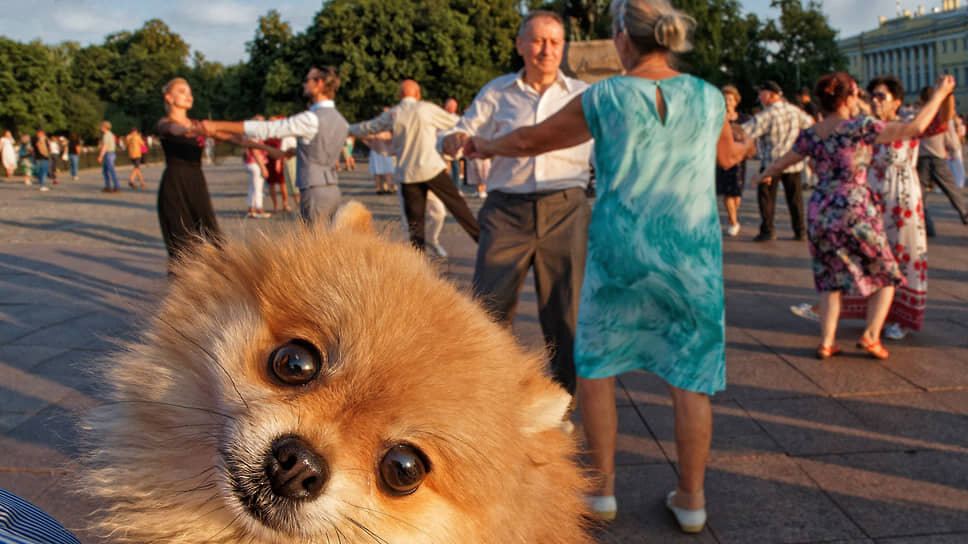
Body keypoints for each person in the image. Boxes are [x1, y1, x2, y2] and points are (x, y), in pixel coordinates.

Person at [462, 1, 753, 529]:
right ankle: (691, 500)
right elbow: (729, 157)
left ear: (623, 38)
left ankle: (602, 492)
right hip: (691, 256)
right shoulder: (710, 97)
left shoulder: (607, 96)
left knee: (597, 371)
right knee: (691, 381)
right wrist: (751, 141)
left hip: (622, 251)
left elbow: (530, 140)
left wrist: (484, 143)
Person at [440, 10, 594, 399]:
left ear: (564, 47)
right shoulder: (498, 92)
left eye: (555, 42)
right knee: (489, 309)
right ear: (521, 45)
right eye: (538, 41)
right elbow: (465, 128)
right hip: (507, 209)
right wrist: (453, 139)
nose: (547, 50)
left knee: (565, 312)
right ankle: (492, 397)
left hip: (567, 207)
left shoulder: (581, 95)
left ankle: (563, 400)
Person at [755, 73, 955, 361]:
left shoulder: (812, 133)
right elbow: (916, 126)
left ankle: (827, 342)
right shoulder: (860, 127)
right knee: (887, 274)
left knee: (829, 279)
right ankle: (871, 336)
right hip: (854, 207)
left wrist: (763, 175)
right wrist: (940, 93)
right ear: (848, 99)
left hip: (820, 209)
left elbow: (785, 160)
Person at [156, 77, 282, 265]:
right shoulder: (165, 123)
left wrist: (271, 150)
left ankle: (218, 284)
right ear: (169, 97)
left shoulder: (198, 125)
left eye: (190, 92)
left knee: (211, 236)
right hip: (174, 184)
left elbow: (237, 139)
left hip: (196, 182)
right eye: (182, 91)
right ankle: (182, 290)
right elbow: (174, 129)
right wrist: (193, 129)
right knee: (181, 245)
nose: (188, 95)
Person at [202, 65, 349, 224]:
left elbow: (266, 129)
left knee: (316, 243)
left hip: (314, 191)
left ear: (319, 83)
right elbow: (320, 149)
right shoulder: (342, 121)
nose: (304, 84)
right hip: (333, 189)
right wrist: (295, 151)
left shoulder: (311, 118)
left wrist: (217, 125)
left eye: (307, 80)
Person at [349, 79, 480, 251]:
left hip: (408, 174)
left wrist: (347, 129)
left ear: (399, 95)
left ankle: (419, 260)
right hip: (431, 168)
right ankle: (483, 242)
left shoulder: (393, 114)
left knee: (415, 224)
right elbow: (455, 121)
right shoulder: (426, 108)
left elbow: (368, 127)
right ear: (417, 94)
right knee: (459, 207)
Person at [742, 80, 815, 241]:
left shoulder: (767, 114)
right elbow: (810, 124)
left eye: (761, 93)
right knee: (795, 199)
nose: (759, 97)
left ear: (772, 95)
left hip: (771, 163)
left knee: (766, 198)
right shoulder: (794, 110)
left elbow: (746, 131)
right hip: (792, 162)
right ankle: (800, 230)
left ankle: (768, 229)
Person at [916, 85, 968, 234]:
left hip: (922, 159)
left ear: (921, 99)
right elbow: (949, 134)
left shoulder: (919, 115)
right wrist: (954, 149)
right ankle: (964, 213)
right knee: (951, 189)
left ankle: (927, 225)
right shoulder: (940, 115)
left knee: (921, 195)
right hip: (938, 158)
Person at [716, 85, 753, 236]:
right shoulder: (718, 117)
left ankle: (733, 215)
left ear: (736, 101)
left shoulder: (744, 118)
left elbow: (750, 136)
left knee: (737, 192)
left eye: (730, 99)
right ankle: (733, 220)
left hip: (739, 159)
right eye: (724, 99)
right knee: (727, 192)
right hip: (723, 157)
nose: (727, 102)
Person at [243, 118, 270, 219]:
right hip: (256, 163)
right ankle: (259, 209)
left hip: (250, 163)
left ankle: (251, 208)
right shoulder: (255, 136)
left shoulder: (249, 135)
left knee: (253, 186)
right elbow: (256, 152)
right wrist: (263, 167)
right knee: (258, 187)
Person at [97, 121, 120, 193]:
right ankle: (108, 186)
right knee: (106, 171)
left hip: (109, 154)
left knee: (110, 171)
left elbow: (105, 146)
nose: (100, 128)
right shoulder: (110, 134)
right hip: (111, 153)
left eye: (101, 126)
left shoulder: (106, 135)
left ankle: (115, 187)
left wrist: (100, 156)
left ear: (104, 127)